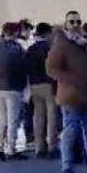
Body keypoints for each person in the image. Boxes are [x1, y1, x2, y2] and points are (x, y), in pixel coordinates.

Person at [47, 11, 87, 173]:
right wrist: (71, 79)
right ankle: (67, 168)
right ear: (66, 25)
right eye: (72, 22)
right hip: (70, 95)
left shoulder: (84, 44)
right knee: (71, 131)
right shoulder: (61, 45)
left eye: (78, 21)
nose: (76, 25)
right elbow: (51, 68)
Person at [0, 22, 28, 161]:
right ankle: (11, 149)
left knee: (2, 120)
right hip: (14, 87)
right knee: (13, 120)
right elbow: (23, 67)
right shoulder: (17, 48)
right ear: (15, 33)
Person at [26, 23, 58, 159]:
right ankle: (52, 146)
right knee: (51, 116)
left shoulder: (30, 49)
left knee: (38, 115)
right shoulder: (50, 48)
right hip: (48, 83)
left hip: (34, 84)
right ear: (47, 34)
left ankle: (39, 146)